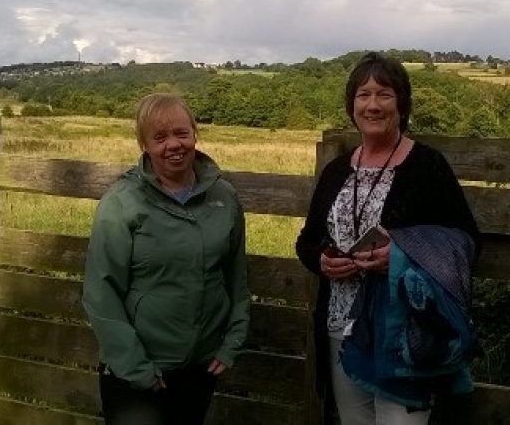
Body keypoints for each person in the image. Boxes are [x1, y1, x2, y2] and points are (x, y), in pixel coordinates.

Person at [295, 52, 481, 424]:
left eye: (384, 94)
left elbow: (465, 243)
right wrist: (321, 260)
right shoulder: (336, 171)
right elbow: (308, 239)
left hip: (404, 335)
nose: (373, 105)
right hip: (341, 329)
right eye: (363, 95)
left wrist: (401, 257)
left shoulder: (427, 167)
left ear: (402, 104)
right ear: (351, 105)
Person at [82, 93, 249, 425]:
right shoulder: (122, 204)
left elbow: (236, 275)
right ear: (144, 144)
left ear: (194, 134)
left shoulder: (224, 198)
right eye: (159, 137)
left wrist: (231, 342)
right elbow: (100, 292)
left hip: (200, 367)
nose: (174, 144)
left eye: (181, 133)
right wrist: (136, 367)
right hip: (137, 372)